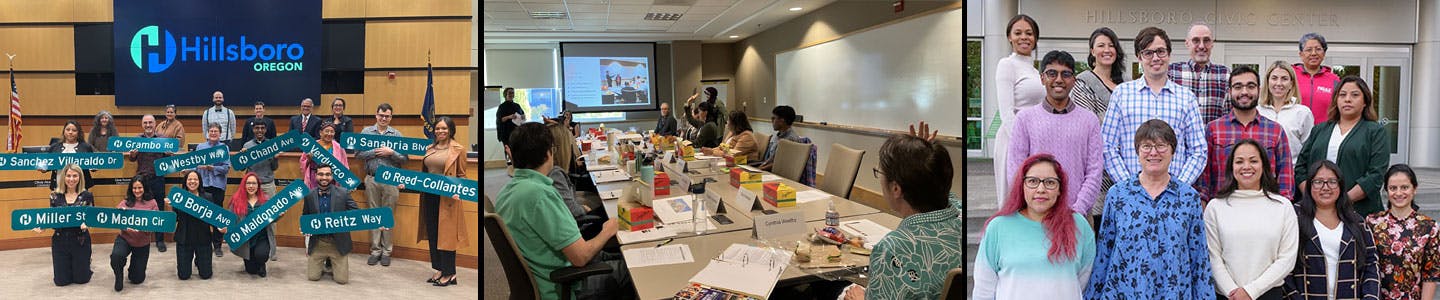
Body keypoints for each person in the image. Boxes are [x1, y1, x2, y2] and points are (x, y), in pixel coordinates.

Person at [498, 122, 629, 298]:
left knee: (620, 258)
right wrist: (608, 230)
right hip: (565, 285)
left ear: (512, 153)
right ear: (548, 153)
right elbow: (581, 257)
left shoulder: (506, 192)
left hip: (546, 277)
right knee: (634, 271)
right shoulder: (541, 195)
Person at [1085, 119, 1213, 298]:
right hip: (1124, 292)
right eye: (1146, 146)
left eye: (1161, 145)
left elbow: (1199, 257)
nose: (1154, 152)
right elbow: (1105, 251)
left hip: (1173, 292)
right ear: (1137, 151)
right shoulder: (1118, 195)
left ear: (1173, 151)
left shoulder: (1188, 198)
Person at [839, 121, 962, 299]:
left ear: (896, 189)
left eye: (879, 173)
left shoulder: (892, 250)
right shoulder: (960, 215)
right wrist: (925, 163)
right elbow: (948, 195)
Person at [972, 154, 1095, 299]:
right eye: (1032, 181)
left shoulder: (1078, 225)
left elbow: (1083, 279)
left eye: (1050, 182)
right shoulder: (998, 227)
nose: (1041, 189)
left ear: (1060, 189)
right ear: (1022, 186)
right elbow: (983, 290)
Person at [1101, 26, 1208, 186]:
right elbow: (1106, 146)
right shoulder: (1121, 94)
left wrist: (1179, 186)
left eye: (1160, 51)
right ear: (1139, 57)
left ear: (1169, 54)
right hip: (1131, 197)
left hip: (1174, 198)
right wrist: (1128, 186)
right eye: (1148, 53)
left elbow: (1198, 151)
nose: (1155, 58)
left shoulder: (1186, 98)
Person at [1006, 50, 1103, 214]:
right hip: (1035, 216)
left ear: (1073, 80)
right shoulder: (1024, 119)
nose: (1059, 79)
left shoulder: (1089, 120)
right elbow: (1016, 170)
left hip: (1078, 215)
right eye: (1052, 73)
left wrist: (1078, 209)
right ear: (1042, 78)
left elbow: (1094, 171)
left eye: (1065, 74)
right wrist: (1032, 208)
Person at [1204, 140, 1299, 300]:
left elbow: (1287, 258)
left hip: (1269, 294)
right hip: (1228, 295)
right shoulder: (1215, 207)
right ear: (1231, 167)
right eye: (1239, 161)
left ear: (1264, 166)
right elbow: (1213, 257)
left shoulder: (1282, 206)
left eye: (1253, 161)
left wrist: (1251, 291)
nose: (1246, 166)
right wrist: (1233, 292)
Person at [1283, 160, 1381, 299]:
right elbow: (1283, 264)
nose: (1325, 187)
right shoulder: (1294, 217)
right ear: (1309, 186)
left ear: (1341, 186)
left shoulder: (1357, 221)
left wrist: (1370, 297)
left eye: (1332, 182)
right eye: (1318, 182)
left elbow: (1371, 263)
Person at [1294, 76, 1390, 216]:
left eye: (1355, 95)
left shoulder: (1375, 131)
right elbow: (1300, 168)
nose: (1347, 99)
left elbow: (1376, 175)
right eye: (1342, 95)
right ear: (1336, 100)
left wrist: (1344, 200)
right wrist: (1312, 196)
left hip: (1359, 211)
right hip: (1317, 211)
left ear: (1365, 102)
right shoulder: (1319, 130)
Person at [1197, 66, 1294, 202]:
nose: (1244, 92)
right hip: (1223, 209)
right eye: (1238, 87)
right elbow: (1204, 178)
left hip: (1265, 209)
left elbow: (1285, 177)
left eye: (1250, 86)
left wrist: (1282, 207)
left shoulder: (1275, 131)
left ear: (1259, 90)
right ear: (1229, 91)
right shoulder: (1214, 129)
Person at [1364, 164, 1440, 299]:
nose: (1398, 193)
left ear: (1414, 189)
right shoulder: (1372, 223)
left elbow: (1431, 275)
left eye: (1404, 187)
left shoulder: (1429, 227)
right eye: (1393, 188)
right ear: (1386, 190)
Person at [993, 14, 1045, 206]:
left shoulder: (1034, 71)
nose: (1024, 37)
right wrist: (1023, 145)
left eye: (1029, 33)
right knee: (1012, 200)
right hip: (1013, 140)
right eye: (1018, 33)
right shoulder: (1006, 65)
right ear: (1009, 37)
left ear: (1036, 38)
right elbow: (1006, 112)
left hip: (1035, 142)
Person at [416, 116, 472, 287]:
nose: (440, 131)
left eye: (444, 128)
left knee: (446, 236)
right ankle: (439, 269)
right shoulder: (429, 148)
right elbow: (424, 173)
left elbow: (462, 175)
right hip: (430, 196)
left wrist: (459, 192)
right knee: (433, 233)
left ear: (451, 130)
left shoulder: (458, 149)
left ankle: (450, 273)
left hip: (448, 198)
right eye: (438, 128)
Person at [357, 103, 406, 267]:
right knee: (373, 215)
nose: (384, 118)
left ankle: (386, 251)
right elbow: (358, 154)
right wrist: (377, 151)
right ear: (376, 115)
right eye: (381, 115)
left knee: (388, 215)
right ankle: (375, 250)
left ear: (391, 117)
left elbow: (405, 158)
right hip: (371, 179)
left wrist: (391, 153)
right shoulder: (366, 132)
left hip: (391, 180)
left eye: (387, 116)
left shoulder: (397, 134)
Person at [36, 164, 94, 286]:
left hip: (80, 240)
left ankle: (85, 262)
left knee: (81, 279)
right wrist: (43, 226)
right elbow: (52, 218)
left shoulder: (87, 195)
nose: (71, 179)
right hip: (60, 239)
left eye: (75, 176)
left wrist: (88, 223)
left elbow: (92, 217)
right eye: (68, 176)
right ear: (63, 177)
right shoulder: (54, 196)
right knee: (61, 281)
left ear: (80, 177)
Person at [302, 164, 359, 284]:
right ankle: (324, 263)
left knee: (342, 280)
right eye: (321, 174)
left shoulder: (343, 193)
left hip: (337, 242)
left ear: (332, 176)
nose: (324, 177)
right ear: (316, 175)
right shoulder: (309, 195)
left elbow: (356, 213)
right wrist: (304, 227)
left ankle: (333, 263)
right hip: (318, 242)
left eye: (328, 174)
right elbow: (306, 216)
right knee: (313, 277)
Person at [1168, 23, 1231, 124]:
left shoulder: (1224, 74)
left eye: (1206, 40)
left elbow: (1229, 116)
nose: (1201, 46)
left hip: (1212, 139)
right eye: (1196, 40)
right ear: (1187, 43)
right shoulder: (1172, 73)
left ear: (1212, 44)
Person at [127, 114, 171, 252]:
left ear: (154, 124)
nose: (148, 125)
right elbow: (132, 159)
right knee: (138, 207)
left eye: (150, 122)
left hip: (158, 177)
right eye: (145, 123)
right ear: (142, 125)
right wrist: (133, 154)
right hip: (141, 179)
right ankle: (138, 237)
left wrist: (168, 152)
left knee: (159, 208)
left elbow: (169, 157)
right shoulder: (136, 140)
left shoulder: (163, 139)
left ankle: (159, 240)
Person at [1257, 60, 1314, 166]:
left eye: (1284, 79)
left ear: (1291, 83)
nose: (1279, 83)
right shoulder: (1257, 111)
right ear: (1268, 81)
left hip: (1291, 174)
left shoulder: (1303, 113)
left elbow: (1308, 152)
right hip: (1261, 175)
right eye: (1274, 78)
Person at [241, 121, 280, 261]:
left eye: (262, 128)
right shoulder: (247, 146)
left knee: (271, 219)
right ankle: (250, 248)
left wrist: (275, 158)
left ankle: (272, 251)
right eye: (257, 128)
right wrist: (243, 156)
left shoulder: (271, 144)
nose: (260, 130)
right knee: (250, 217)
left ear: (265, 130)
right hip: (251, 186)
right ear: (253, 129)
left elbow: (274, 167)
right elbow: (241, 168)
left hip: (268, 184)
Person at [1071, 27, 1127, 122]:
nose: (1107, 50)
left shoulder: (1127, 82)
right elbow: (1084, 121)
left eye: (1111, 45)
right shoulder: (1082, 83)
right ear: (1092, 51)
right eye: (1101, 46)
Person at [112, 176, 156, 292]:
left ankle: (133, 268)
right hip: (125, 238)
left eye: (140, 188)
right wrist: (124, 223)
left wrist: (143, 229)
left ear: (145, 188)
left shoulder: (152, 203)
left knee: (136, 279)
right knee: (116, 257)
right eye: (134, 188)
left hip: (142, 242)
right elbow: (114, 221)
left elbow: (156, 225)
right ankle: (119, 274)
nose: (137, 191)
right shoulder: (125, 202)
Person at [227, 172, 273, 277]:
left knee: (261, 255)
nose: (251, 186)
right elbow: (230, 219)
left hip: (261, 237)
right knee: (251, 270)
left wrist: (280, 215)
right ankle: (251, 259)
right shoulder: (236, 200)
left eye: (254, 183)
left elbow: (273, 219)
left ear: (258, 185)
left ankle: (262, 264)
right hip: (246, 240)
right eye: (248, 183)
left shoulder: (266, 200)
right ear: (244, 185)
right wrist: (226, 229)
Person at [195, 124, 231, 257]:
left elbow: (227, 168)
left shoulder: (224, 148)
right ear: (207, 132)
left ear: (220, 134)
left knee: (217, 217)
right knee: (203, 215)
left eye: (216, 131)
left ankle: (217, 245)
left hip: (217, 186)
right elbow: (196, 165)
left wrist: (212, 168)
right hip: (203, 185)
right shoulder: (200, 147)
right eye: (211, 131)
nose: (213, 133)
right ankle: (205, 243)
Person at [1293, 33, 1340, 124]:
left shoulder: (1334, 80)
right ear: (1301, 54)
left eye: (1318, 49)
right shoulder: (1290, 76)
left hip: (1324, 133)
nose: (1314, 53)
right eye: (1309, 50)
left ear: (1324, 53)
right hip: (1295, 132)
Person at [44, 120, 95, 191]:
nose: (70, 132)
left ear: (78, 133)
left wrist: (95, 167)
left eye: (74, 130)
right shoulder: (55, 147)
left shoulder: (86, 147)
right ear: (64, 131)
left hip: (81, 187)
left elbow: (93, 165)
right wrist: (43, 168)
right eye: (68, 130)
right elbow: (48, 165)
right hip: (59, 186)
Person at [300, 122, 350, 190]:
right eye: (327, 131)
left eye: (332, 132)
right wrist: (309, 160)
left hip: (332, 180)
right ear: (320, 132)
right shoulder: (311, 145)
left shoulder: (339, 147)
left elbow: (345, 166)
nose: (329, 134)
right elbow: (302, 163)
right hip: (314, 179)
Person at [757, 105, 807, 171]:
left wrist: (761, 169)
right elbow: (772, 159)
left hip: (777, 173)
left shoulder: (790, 139)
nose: (771, 121)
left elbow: (782, 163)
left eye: (773, 118)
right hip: (767, 167)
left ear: (782, 120)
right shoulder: (779, 135)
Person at [496, 88, 525, 164]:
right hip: (506, 132)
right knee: (508, 149)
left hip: (516, 132)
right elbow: (500, 119)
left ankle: (517, 165)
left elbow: (523, 115)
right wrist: (509, 117)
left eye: (513, 93)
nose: (512, 94)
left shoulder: (517, 105)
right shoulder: (502, 107)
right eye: (510, 93)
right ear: (505, 95)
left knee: (517, 149)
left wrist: (523, 116)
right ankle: (509, 165)